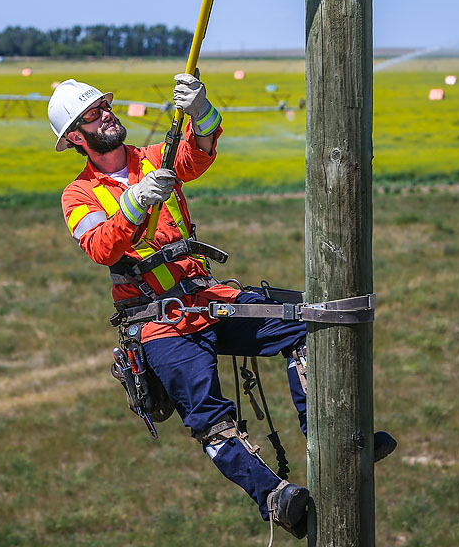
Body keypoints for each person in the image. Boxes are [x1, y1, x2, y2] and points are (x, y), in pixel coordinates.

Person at [49, 75, 394, 539]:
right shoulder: (79, 194)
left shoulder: (152, 157)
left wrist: (201, 110)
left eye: (105, 106)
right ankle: (275, 498)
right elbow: (100, 247)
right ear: (76, 136)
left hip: (209, 300)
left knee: (303, 326)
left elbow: (198, 153)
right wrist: (134, 202)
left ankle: (330, 442)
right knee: (211, 418)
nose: (105, 114)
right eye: (92, 115)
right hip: (159, 323)